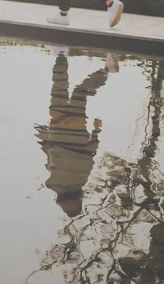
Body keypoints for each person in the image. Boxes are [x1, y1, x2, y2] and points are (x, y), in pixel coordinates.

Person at [35, 51, 110, 218]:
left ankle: (105, 71)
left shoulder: (81, 179)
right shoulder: (53, 181)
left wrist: (96, 131)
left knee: (80, 92)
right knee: (59, 88)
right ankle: (61, 54)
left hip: (76, 129)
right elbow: (49, 152)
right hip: (58, 125)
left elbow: (90, 153)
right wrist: (42, 134)